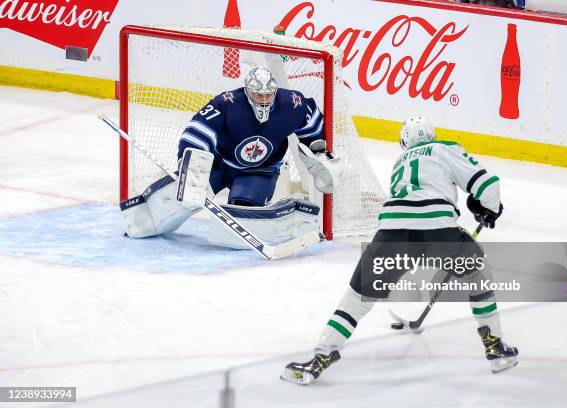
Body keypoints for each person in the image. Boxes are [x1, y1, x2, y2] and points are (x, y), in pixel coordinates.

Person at [281, 113, 518, 385]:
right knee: (477, 273)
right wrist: (488, 208)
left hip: (390, 232)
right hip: (438, 231)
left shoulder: (399, 161)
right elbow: (488, 184)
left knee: (358, 297)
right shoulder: (444, 148)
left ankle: (321, 355)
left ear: (404, 143)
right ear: (432, 135)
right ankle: (495, 346)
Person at [119, 66, 340, 245]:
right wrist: (193, 161)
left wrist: (319, 153)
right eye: (258, 94)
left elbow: (312, 127)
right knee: (186, 195)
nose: (263, 99)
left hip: (260, 171)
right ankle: (146, 219)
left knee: (244, 210)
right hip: (219, 164)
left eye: (268, 94)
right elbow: (200, 128)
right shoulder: (227, 103)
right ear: (247, 91)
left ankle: (245, 218)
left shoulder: (292, 103)